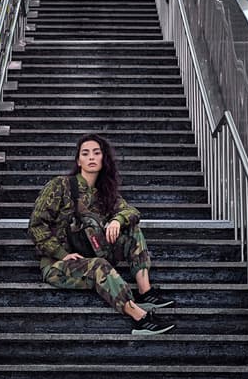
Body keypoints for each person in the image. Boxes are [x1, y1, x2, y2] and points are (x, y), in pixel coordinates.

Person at [28, 134, 177, 335]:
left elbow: (132, 212)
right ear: (78, 160)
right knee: (100, 265)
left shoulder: (105, 192)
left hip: (93, 251)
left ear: (103, 158)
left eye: (96, 153)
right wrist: (61, 254)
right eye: (85, 153)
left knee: (132, 229)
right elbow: (37, 225)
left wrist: (117, 220)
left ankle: (145, 292)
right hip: (59, 265)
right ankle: (140, 318)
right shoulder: (60, 186)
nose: (91, 157)